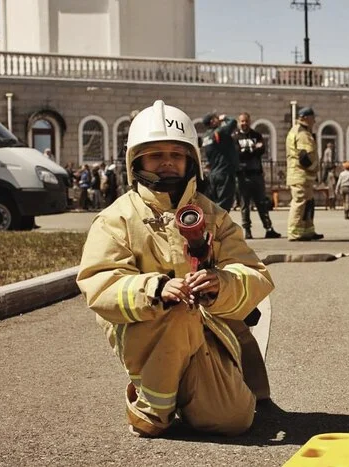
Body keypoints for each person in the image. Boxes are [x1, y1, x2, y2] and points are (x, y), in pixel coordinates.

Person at [77, 100, 274, 438]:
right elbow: (99, 283)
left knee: (234, 420)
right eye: (155, 155)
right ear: (136, 162)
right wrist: (154, 290)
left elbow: (255, 273)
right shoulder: (117, 218)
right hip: (146, 333)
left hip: (203, 332)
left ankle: (184, 392)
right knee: (178, 311)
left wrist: (220, 284)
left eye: (176, 155)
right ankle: (150, 408)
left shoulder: (212, 214)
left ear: (191, 161)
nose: (167, 162)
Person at [232, 112, 281, 239]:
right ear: (239, 122)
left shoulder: (256, 135)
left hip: (257, 174)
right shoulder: (235, 137)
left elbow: (262, 150)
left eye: (246, 121)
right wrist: (253, 149)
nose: (244, 123)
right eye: (242, 121)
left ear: (249, 121)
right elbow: (238, 154)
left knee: (261, 203)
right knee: (245, 205)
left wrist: (249, 150)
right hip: (243, 176)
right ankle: (247, 230)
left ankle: (269, 229)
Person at [286, 107, 323, 241]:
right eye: (313, 118)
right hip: (301, 174)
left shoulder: (297, 130)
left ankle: (307, 230)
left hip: (302, 175)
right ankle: (294, 232)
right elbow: (304, 157)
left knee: (308, 203)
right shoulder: (302, 133)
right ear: (306, 118)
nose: (314, 121)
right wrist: (314, 168)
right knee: (299, 203)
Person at [202, 112, 239, 211]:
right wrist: (225, 117)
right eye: (216, 118)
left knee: (215, 204)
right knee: (224, 205)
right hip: (224, 172)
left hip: (213, 174)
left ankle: (215, 224)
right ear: (212, 121)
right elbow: (233, 122)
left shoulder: (205, 136)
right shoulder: (219, 132)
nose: (218, 119)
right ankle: (219, 225)